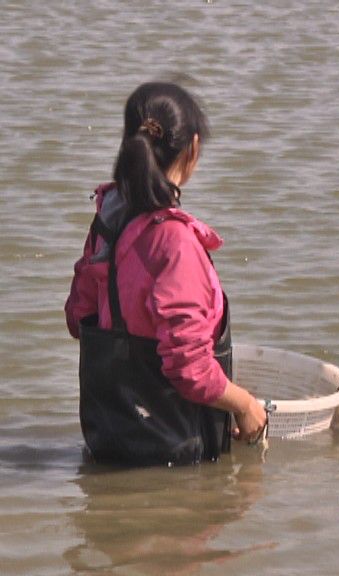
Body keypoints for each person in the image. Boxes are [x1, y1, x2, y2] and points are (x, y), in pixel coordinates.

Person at [65, 82, 267, 465]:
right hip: (172, 453)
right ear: (192, 150)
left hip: (108, 440)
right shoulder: (175, 243)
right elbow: (188, 368)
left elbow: (79, 319)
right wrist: (244, 405)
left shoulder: (107, 221)